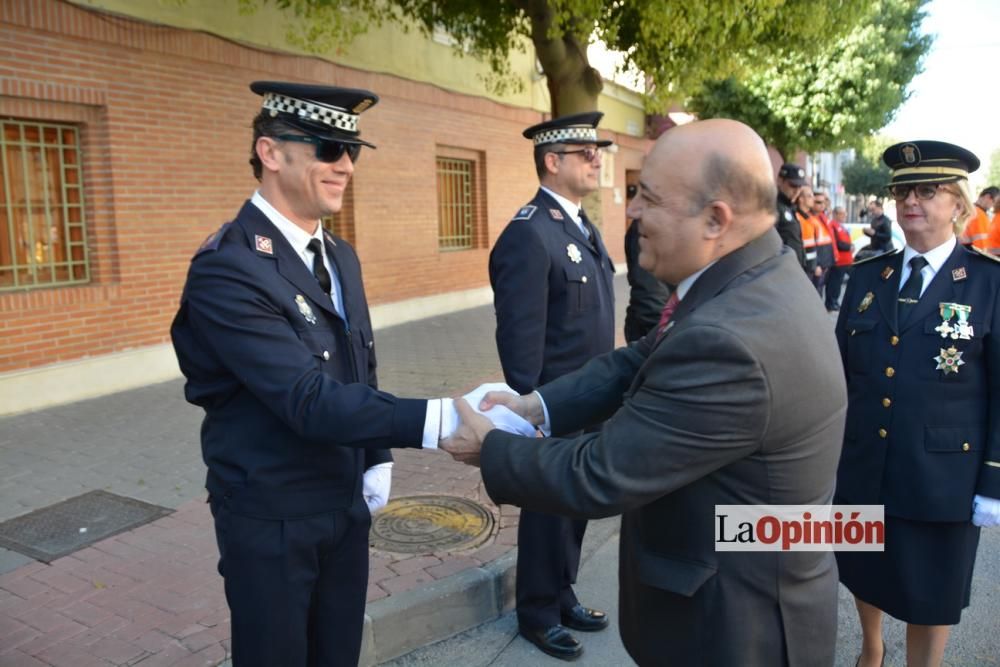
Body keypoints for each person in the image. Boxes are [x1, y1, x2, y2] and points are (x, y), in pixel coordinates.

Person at [446, 119, 847, 666]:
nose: (631, 211)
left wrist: (490, 449)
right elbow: (641, 355)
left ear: (715, 219)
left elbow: (601, 473)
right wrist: (535, 404)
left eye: (648, 198)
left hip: (732, 628)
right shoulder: (751, 275)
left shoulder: (729, 338)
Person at [170, 82, 466, 667]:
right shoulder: (228, 270)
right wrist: (448, 419)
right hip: (272, 512)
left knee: (337, 654)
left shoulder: (340, 256)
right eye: (328, 149)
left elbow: (361, 362)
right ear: (272, 152)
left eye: (352, 151)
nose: (346, 166)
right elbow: (306, 399)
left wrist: (377, 455)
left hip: (343, 498)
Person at [834, 140, 1000, 667]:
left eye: (929, 191)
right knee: (864, 567)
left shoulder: (989, 282)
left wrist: (993, 482)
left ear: (959, 204)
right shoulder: (866, 276)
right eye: (904, 190)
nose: (912, 201)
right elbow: (842, 379)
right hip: (864, 464)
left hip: (944, 473)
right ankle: (872, 646)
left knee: (934, 587)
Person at [488, 112, 616, 660]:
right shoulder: (529, 233)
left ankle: (562, 592)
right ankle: (537, 611)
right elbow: (520, 345)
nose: (596, 159)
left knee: (576, 505)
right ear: (551, 160)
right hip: (552, 406)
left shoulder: (580, 224)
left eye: (597, 151)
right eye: (583, 152)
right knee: (546, 510)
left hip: (587, 399)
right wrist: (530, 413)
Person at [624, 183, 672, 342]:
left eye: (647, 197)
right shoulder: (646, 226)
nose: (630, 209)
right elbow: (649, 295)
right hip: (654, 337)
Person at [776, 162, 808, 270]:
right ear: (780, 181)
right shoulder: (773, 206)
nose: (797, 191)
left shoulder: (790, 207)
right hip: (782, 270)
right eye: (793, 185)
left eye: (799, 187)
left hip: (794, 268)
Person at [825, 206, 854, 311]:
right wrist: (849, 247)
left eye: (845, 213)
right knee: (834, 283)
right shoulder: (833, 225)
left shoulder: (840, 226)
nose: (845, 216)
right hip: (839, 261)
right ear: (836, 214)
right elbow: (837, 243)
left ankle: (835, 301)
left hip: (845, 260)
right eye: (842, 214)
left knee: (838, 283)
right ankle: (831, 302)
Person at [812, 190, 836, 295]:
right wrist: (816, 264)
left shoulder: (823, 217)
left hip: (826, 261)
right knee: (816, 292)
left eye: (824, 202)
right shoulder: (810, 219)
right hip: (817, 263)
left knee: (821, 289)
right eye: (818, 202)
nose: (822, 205)